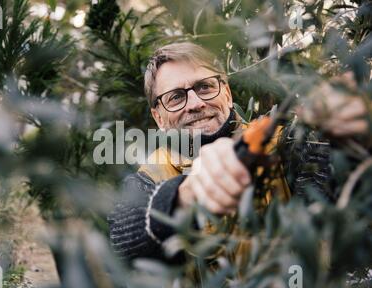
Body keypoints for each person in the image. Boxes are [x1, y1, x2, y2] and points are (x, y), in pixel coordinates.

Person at [108, 42, 370, 262]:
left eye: (205, 86)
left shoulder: (282, 143)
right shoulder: (146, 180)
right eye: (176, 97)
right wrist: (187, 193)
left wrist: (347, 136)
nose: (196, 104)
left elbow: (331, 185)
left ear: (227, 92)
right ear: (158, 117)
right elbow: (124, 239)